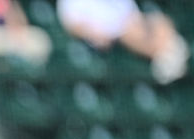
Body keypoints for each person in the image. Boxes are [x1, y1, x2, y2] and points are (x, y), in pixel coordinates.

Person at [57, 0, 189, 85]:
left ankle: (168, 53)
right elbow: (72, 25)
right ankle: (166, 53)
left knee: (159, 24)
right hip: (111, 33)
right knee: (135, 32)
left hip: (130, 22)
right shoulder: (71, 4)